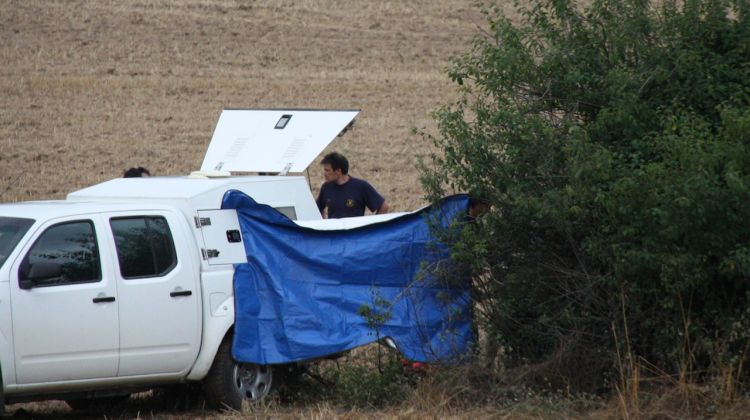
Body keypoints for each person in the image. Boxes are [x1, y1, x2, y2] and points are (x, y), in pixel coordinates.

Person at [316, 152, 389, 218]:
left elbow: (384, 207)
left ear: (338, 171)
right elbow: (316, 209)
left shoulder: (361, 187)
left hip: (355, 232)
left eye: (327, 170)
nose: (324, 174)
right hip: (334, 232)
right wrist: (324, 225)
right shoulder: (326, 187)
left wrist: (373, 228)